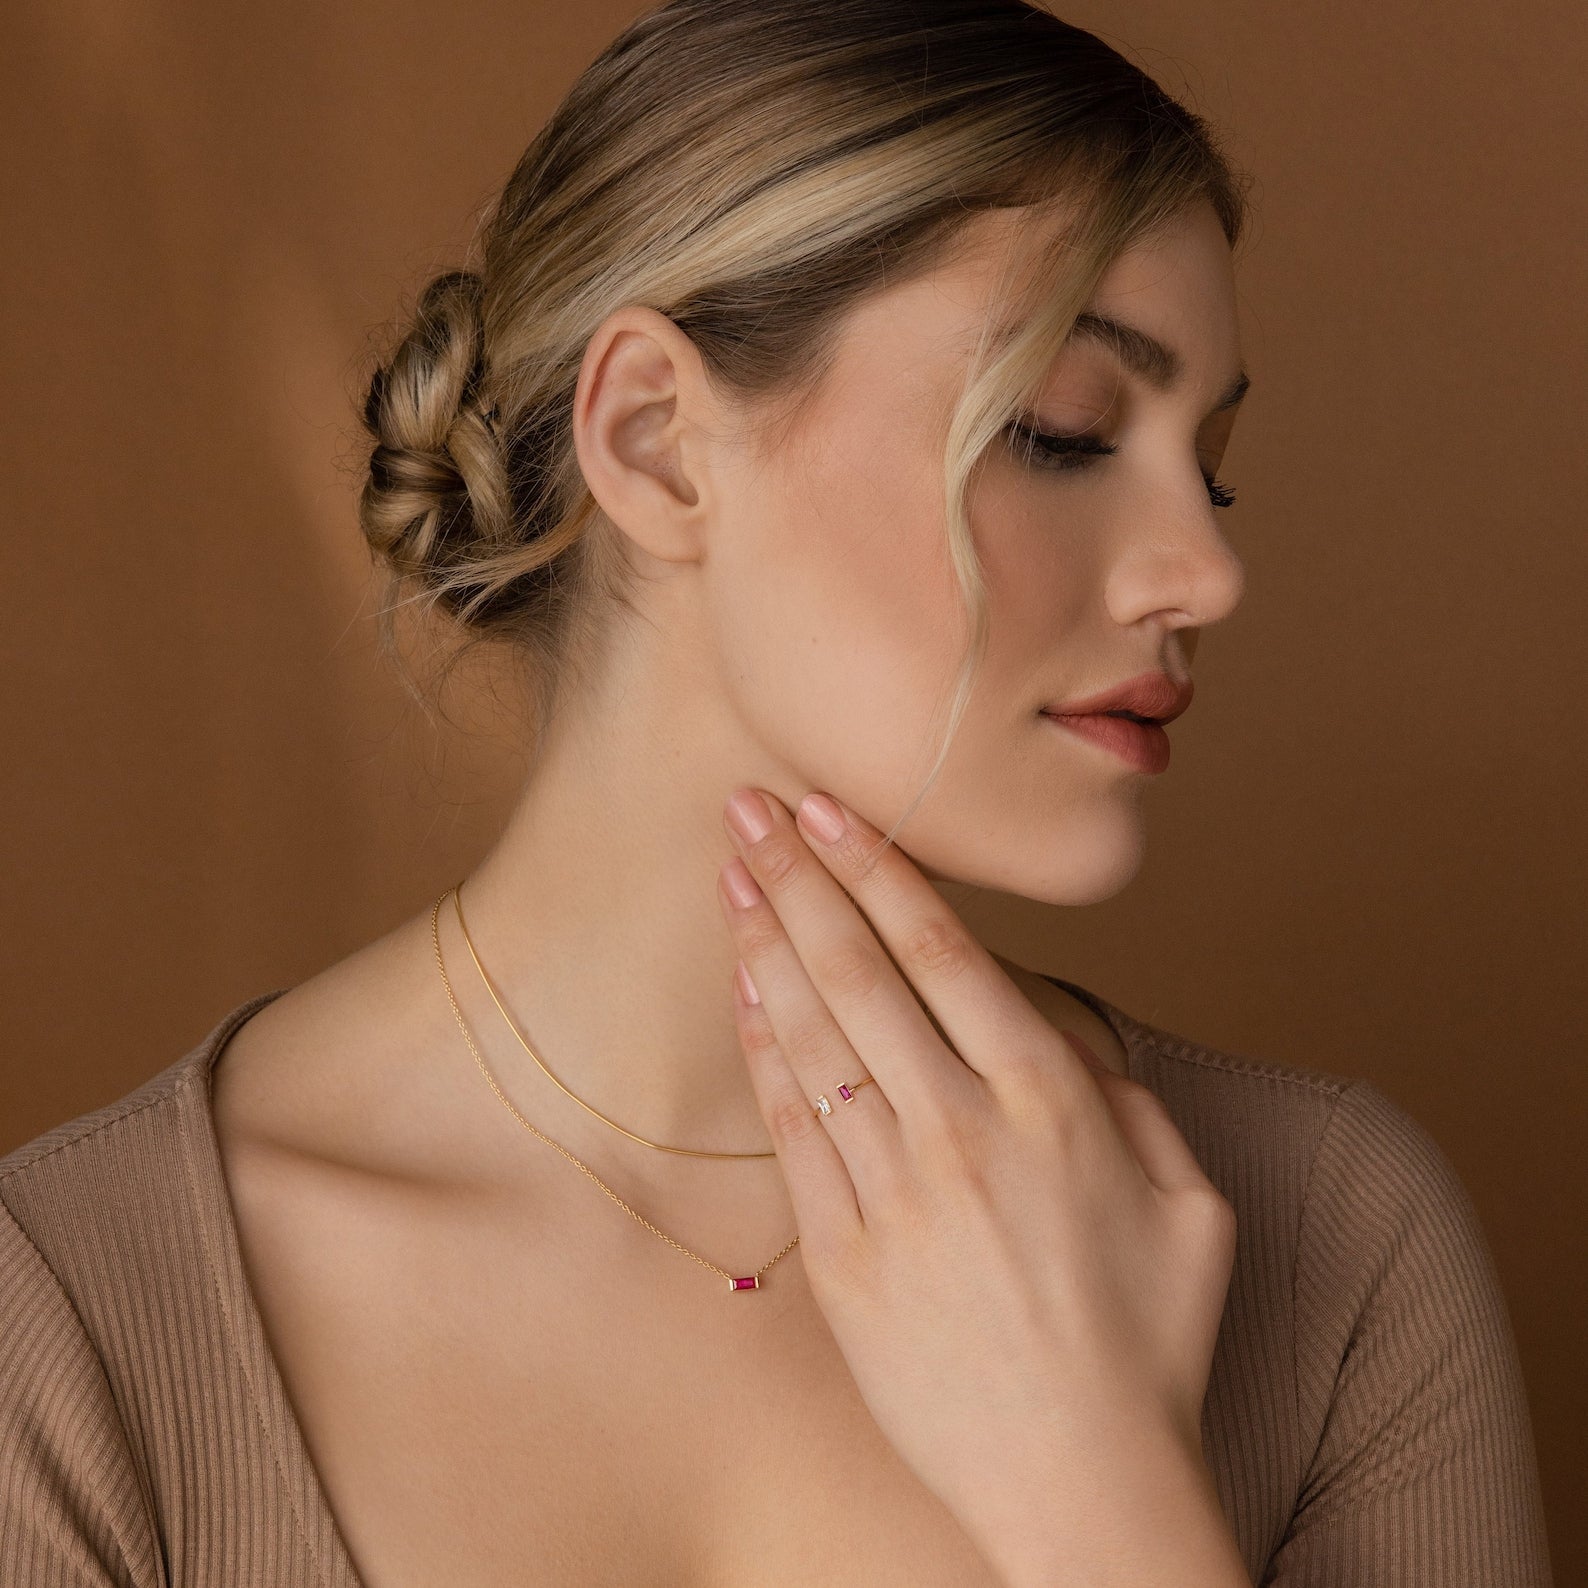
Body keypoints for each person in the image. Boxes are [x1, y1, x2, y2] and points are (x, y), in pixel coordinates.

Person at [0, 1, 1554, 1584]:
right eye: (1066, 432)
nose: (1207, 569)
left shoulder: (1331, 1243)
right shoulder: (72, 1316)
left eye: (1208, 466)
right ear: (659, 443)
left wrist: (1095, 1486)